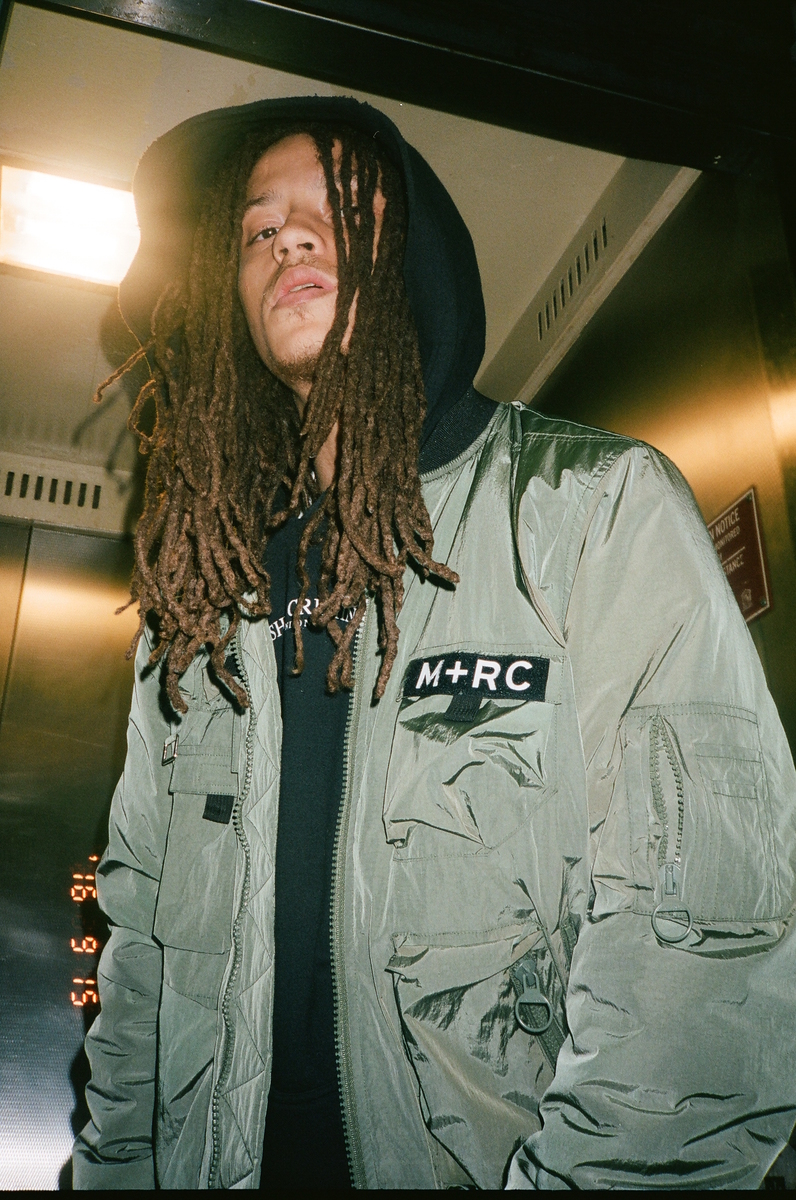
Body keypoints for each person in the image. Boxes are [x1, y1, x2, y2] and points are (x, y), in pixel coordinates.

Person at [72, 95, 796, 1191]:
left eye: (334, 208)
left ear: (415, 253)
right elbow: (139, 950)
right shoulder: (199, 599)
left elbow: (701, 947)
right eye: (257, 228)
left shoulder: (588, 509)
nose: (288, 238)